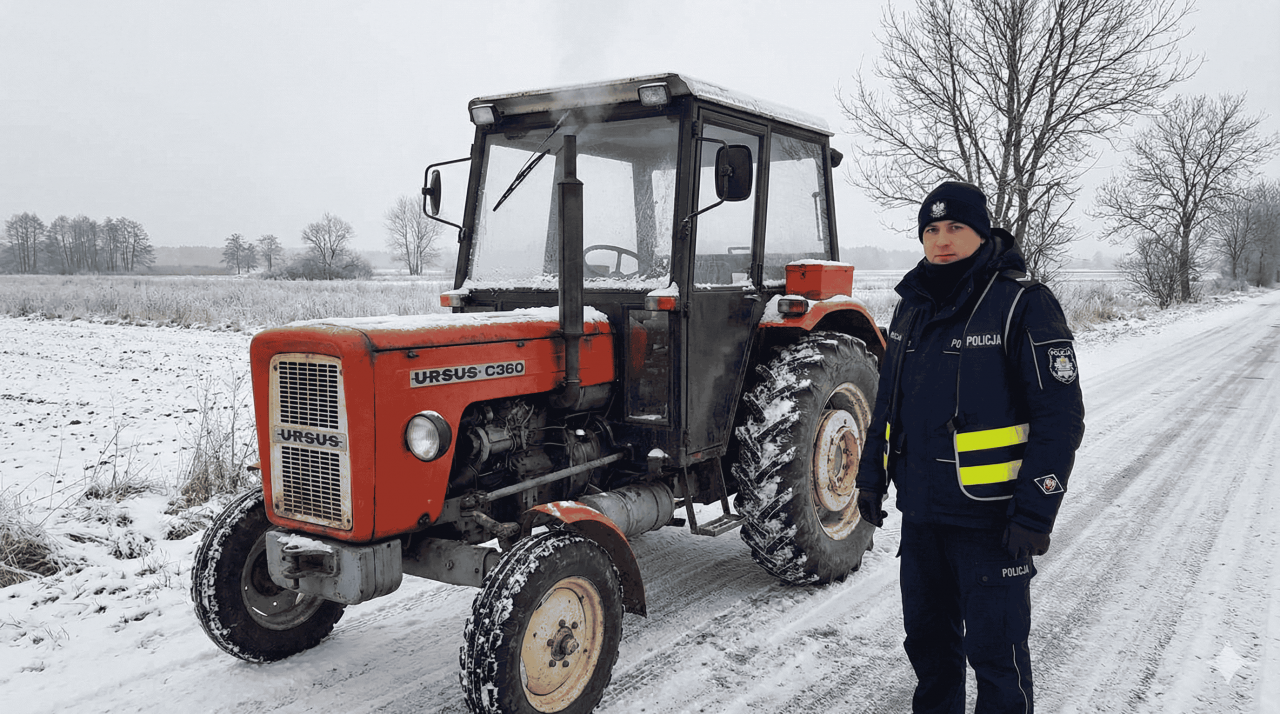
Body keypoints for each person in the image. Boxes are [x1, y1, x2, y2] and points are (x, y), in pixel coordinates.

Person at [855, 181, 1085, 713]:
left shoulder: (1023, 304)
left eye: (955, 227)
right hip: (924, 520)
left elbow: (1060, 417)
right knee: (930, 651)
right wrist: (871, 474)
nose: (942, 240)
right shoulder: (910, 308)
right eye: (931, 229)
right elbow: (887, 403)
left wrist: (1035, 512)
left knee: (997, 657)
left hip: (993, 525)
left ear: (981, 233)